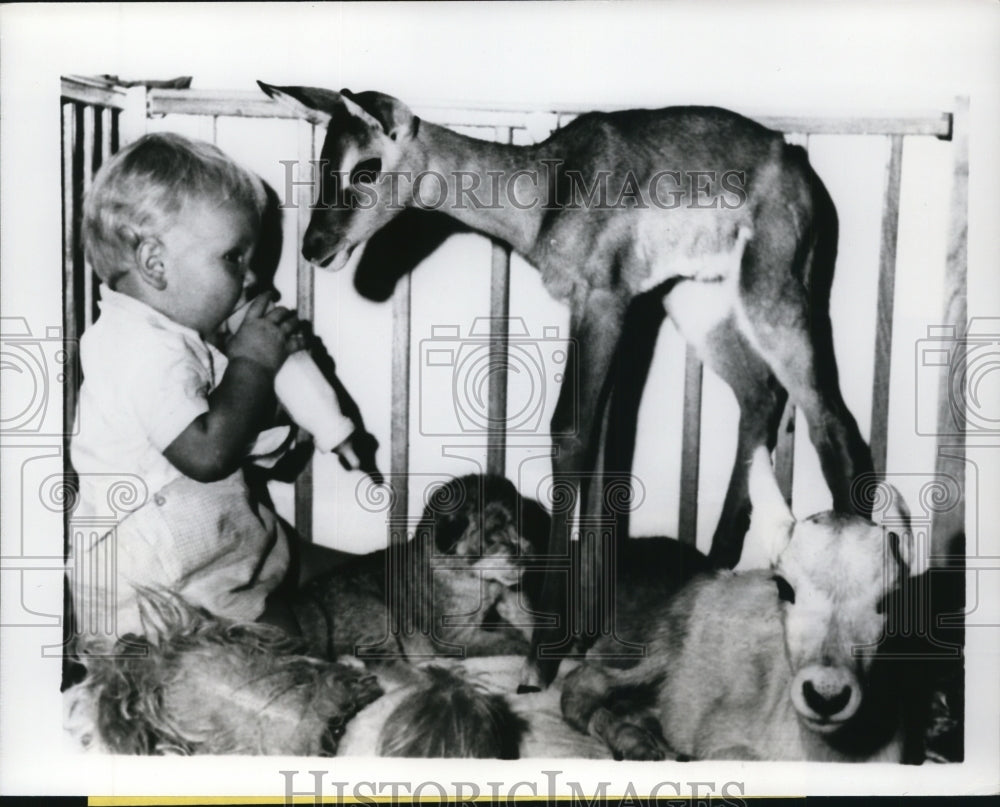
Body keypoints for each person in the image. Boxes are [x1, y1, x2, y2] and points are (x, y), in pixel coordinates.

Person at [68, 131, 352, 642]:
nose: (251, 279)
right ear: (155, 263)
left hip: (213, 561)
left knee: (328, 575)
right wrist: (253, 364)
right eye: (232, 258)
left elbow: (245, 440)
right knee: (306, 632)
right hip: (155, 604)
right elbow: (207, 454)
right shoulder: (132, 347)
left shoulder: (181, 339)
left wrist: (284, 410)